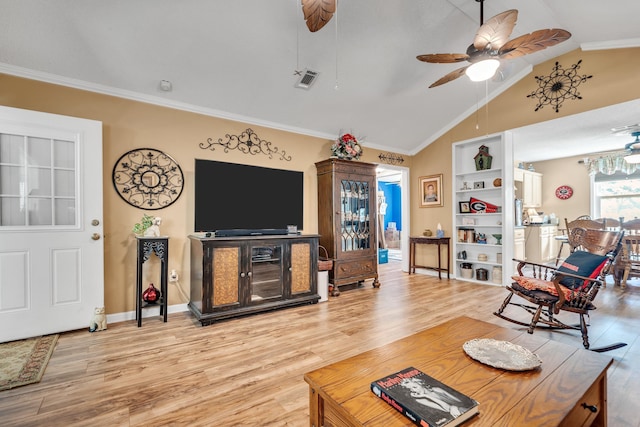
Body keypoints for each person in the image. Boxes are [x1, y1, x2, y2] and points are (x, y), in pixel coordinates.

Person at [400, 377, 465, 418]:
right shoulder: (421, 399)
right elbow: (448, 409)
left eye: (415, 387)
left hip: (462, 408)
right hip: (452, 416)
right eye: (410, 389)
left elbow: (459, 401)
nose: (414, 390)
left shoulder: (436, 389)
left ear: (421, 383)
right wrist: (426, 396)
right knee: (455, 409)